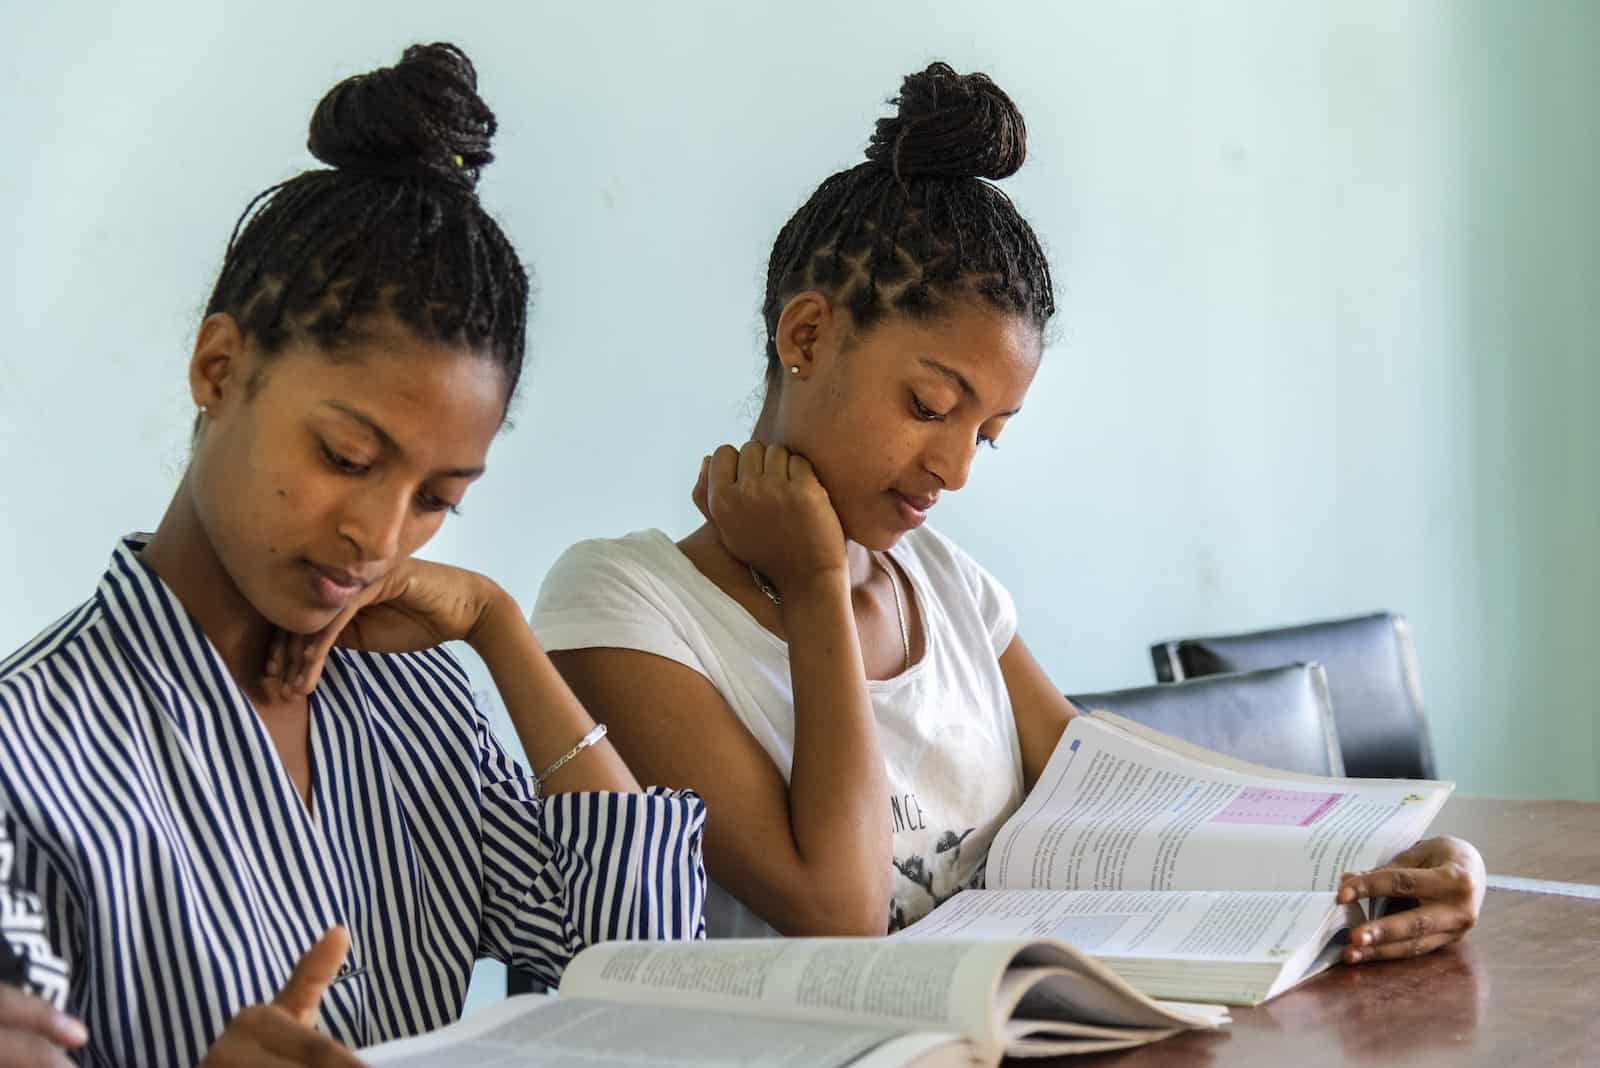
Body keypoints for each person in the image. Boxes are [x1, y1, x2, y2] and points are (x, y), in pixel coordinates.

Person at [532, 62, 1484, 946]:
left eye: (985, 432)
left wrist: (1390, 861)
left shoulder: (948, 592)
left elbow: (1137, 805)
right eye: (929, 407)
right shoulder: (622, 604)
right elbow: (840, 911)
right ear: (809, 334)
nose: (953, 469)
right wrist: (816, 583)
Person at [0, 43, 705, 1068]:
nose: (377, 538)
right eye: (344, 456)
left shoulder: (417, 704)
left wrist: (500, 630)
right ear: (219, 367)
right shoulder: (28, 762)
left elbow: (649, 991)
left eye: (437, 501)